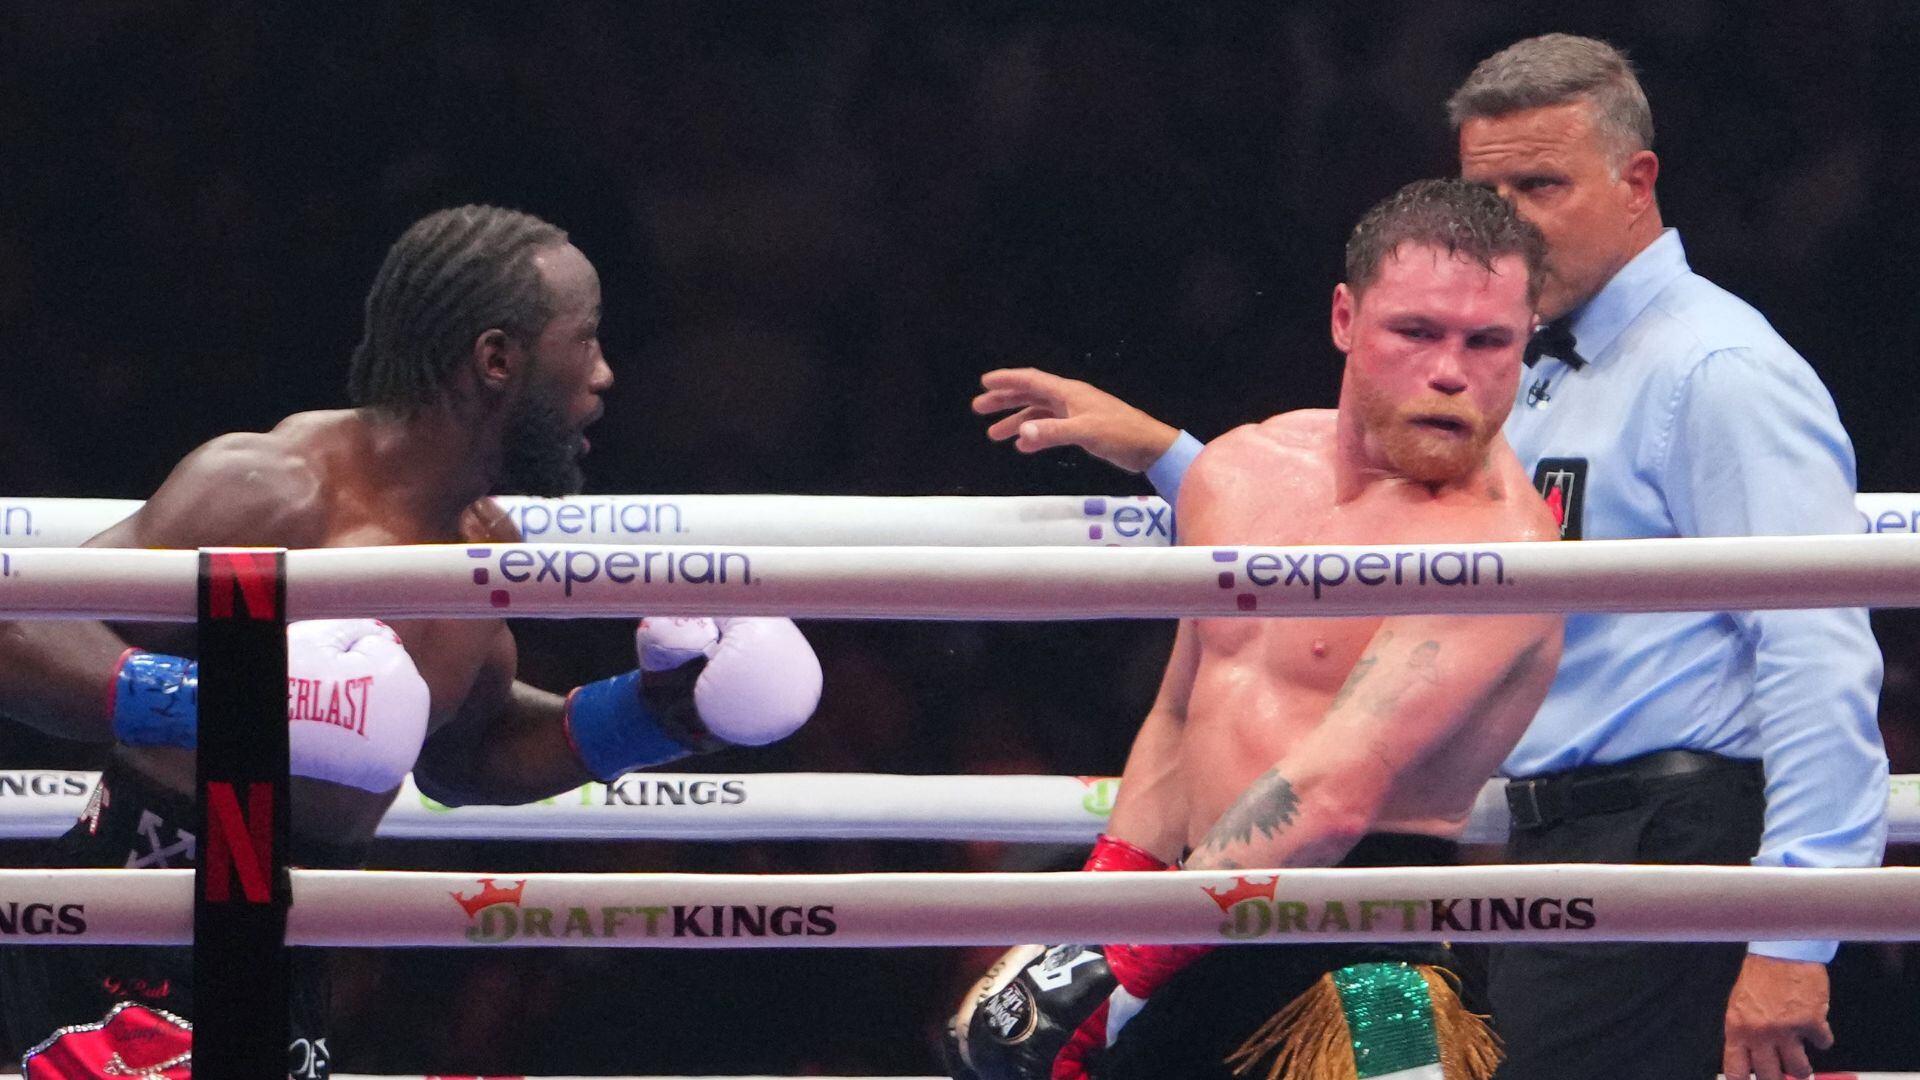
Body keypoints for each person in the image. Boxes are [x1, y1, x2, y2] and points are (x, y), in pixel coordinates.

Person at [971, 35, 1886, 1080]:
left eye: (1541, 184)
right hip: (1537, 838)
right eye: (1486, 191)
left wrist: (1798, 928)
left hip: (1669, 832)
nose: (1512, 224)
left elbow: (1819, 649)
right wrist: (1179, 458)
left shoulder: (1718, 371)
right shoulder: (1524, 364)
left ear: (1638, 182)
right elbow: (1360, 526)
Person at [0, 205, 824, 1078]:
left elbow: (461, 751)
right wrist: (226, 705)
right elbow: (21, 625)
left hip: (291, 955)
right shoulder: (275, 490)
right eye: (583, 342)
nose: (606, 376)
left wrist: (663, 715)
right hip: (128, 933)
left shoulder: (483, 543)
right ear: (497, 359)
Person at [948, 178, 1563, 1080]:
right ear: (1345, 319)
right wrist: (1100, 916)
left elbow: (1334, 793)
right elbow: (1178, 717)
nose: (1450, 371)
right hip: (1188, 925)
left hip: (1362, 953)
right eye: (1417, 332)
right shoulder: (1239, 471)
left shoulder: (1498, 548)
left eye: (1489, 342)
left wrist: (1119, 965)